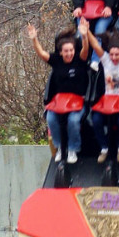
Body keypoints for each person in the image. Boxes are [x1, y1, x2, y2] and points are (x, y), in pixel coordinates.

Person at [27, 20, 90, 164]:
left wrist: (85, 36)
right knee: (51, 118)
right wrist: (34, 39)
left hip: (77, 102)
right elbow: (42, 54)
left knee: (73, 121)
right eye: (66, 51)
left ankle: (73, 149)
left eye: (71, 50)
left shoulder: (79, 60)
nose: (69, 54)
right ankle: (60, 147)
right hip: (59, 102)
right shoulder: (56, 60)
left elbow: (85, 50)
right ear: (61, 52)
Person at [87, 26, 119, 164]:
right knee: (95, 119)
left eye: (117, 55)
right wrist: (87, 32)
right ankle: (104, 147)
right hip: (108, 100)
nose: (114, 58)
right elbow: (96, 45)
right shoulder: (106, 61)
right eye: (111, 54)